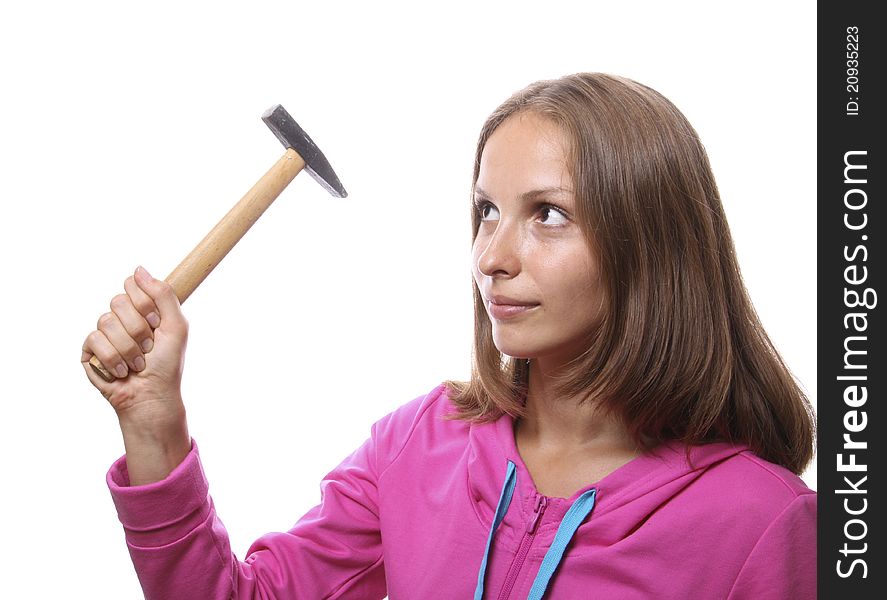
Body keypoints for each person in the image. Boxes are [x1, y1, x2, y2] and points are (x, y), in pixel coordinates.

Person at [82, 72, 817, 599]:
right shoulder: (420, 443)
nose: (491, 257)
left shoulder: (763, 523)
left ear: (650, 241)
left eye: (548, 214)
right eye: (485, 211)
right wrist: (155, 426)